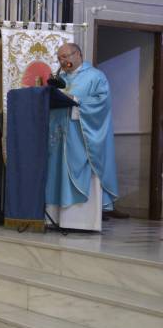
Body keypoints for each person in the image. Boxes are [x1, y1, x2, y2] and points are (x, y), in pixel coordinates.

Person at [45, 43, 119, 231]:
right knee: (56, 174)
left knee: (79, 171)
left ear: (78, 54)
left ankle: (79, 222)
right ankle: (55, 219)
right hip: (59, 136)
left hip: (80, 138)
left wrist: (77, 102)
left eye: (66, 56)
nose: (63, 61)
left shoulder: (95, 76)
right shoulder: (59, 78)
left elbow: (102, 103)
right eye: (60, 58)